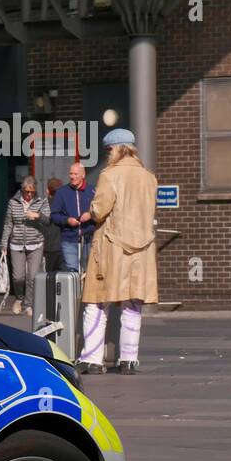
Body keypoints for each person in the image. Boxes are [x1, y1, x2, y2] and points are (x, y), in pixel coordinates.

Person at [78, 128, 158, 375]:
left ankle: (92, 359)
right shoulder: (148, 177)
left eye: (108, 150)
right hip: (142, 249)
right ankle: (129, 359)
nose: (107, 154)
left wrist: (91, 208)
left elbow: (100, 210)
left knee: (97, 303)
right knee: (133, 304)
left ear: (116, 149)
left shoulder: (109, 175)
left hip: (112, 247)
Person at [0, 174, 50, 314]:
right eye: (26, 192)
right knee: (18, 277)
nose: (29, 195)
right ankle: (19, 298)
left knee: (32, 276)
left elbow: (48, 220)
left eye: (32, 192)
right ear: (22, 190)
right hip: (16, 244)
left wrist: (38, 215)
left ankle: (28, 304)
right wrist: (3, 245)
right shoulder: (13, 202)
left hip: (36, 243)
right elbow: (8, 224)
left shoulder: (42, 201)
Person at [52, 161, 96, 273]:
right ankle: (75, 291)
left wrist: (91, 214)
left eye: (76, 174)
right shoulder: (62, 192)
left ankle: (85, 291)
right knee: (73, 272)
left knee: (89, 272)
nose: (72, 177)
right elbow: (54, 215)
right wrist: (67, 220)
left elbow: (101, 211)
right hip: (69, 239)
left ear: (83, 175)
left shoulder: (93, 191)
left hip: (89, 238)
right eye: (71, 174)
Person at [34, 177, 66, 272]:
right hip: (63, 245)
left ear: (47, 191)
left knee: (47, 278)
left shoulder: (42, 204)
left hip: (47, 247)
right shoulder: (65, 204)